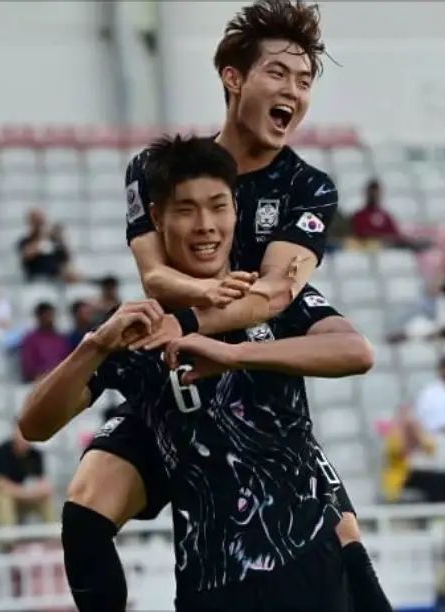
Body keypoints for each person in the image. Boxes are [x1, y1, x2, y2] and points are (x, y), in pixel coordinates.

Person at [19, 135, 382, 612]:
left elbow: (355, 351)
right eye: (186, 210)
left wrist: (233, 356)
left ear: (236, 209)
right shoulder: (135, 329)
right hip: (209, 582)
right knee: (83, 513)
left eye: (218, 207)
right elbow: (34, 425)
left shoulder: (266, 294)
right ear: (156, 219)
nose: (206, 226)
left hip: (304, 561)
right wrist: (96, 344)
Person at [121, 1, 389, 610]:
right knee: (85, 511)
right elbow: (154, 275)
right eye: (278, 74)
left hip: (250, 366)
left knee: (344, 536)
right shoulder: (156, 170)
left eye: (305, 80)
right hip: (177, 382)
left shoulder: (309, 186)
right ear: (232, 77)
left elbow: (276, 293)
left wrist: (195, 324)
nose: (293, 90)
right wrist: (199, 301)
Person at [0, 426, 56, 527]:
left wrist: (31, 494)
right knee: (4, 500)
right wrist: (29, 494)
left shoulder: (36, 455)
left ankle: (55, 537)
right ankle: (9, 540)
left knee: (44, 500)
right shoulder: (1, 452)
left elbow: (44, 486)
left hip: (19, 495)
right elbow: (0, 485)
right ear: (15, 432)